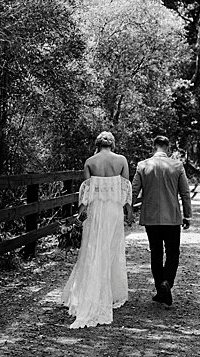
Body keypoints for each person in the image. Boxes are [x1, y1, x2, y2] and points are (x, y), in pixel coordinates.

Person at [61, 131, 134, 328]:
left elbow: (86, 191)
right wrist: (129, 211)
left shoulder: (90, 162)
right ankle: (106, 291)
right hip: (113, 211)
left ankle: (91, 290)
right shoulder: (121, 160)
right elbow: (126, 188)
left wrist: (81, 212)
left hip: (95, 210)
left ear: (97, 144)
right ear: (113, 144)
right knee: (111, 248)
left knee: (93, 248)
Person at [132, 135, 192, 307]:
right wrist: (187, 215)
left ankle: (160, 289)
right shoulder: (177, 165)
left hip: (151, 218)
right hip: (172, 218)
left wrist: (127, 209)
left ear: (154, 146)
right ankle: (167, 282)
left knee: (156, 253)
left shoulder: (143, 165)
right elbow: (185, 193)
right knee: (173, 252)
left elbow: (134, 189)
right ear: (168, 147)